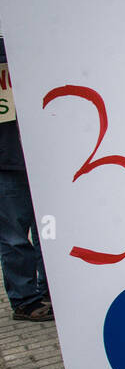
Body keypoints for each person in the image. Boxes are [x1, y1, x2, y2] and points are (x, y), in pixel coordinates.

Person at [0, 37, 53, 322]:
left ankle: (49, 291)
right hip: (7, 160)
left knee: (48, 233)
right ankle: (25, 300)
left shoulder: (32, 43)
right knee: (14, 236)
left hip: (40, 161)